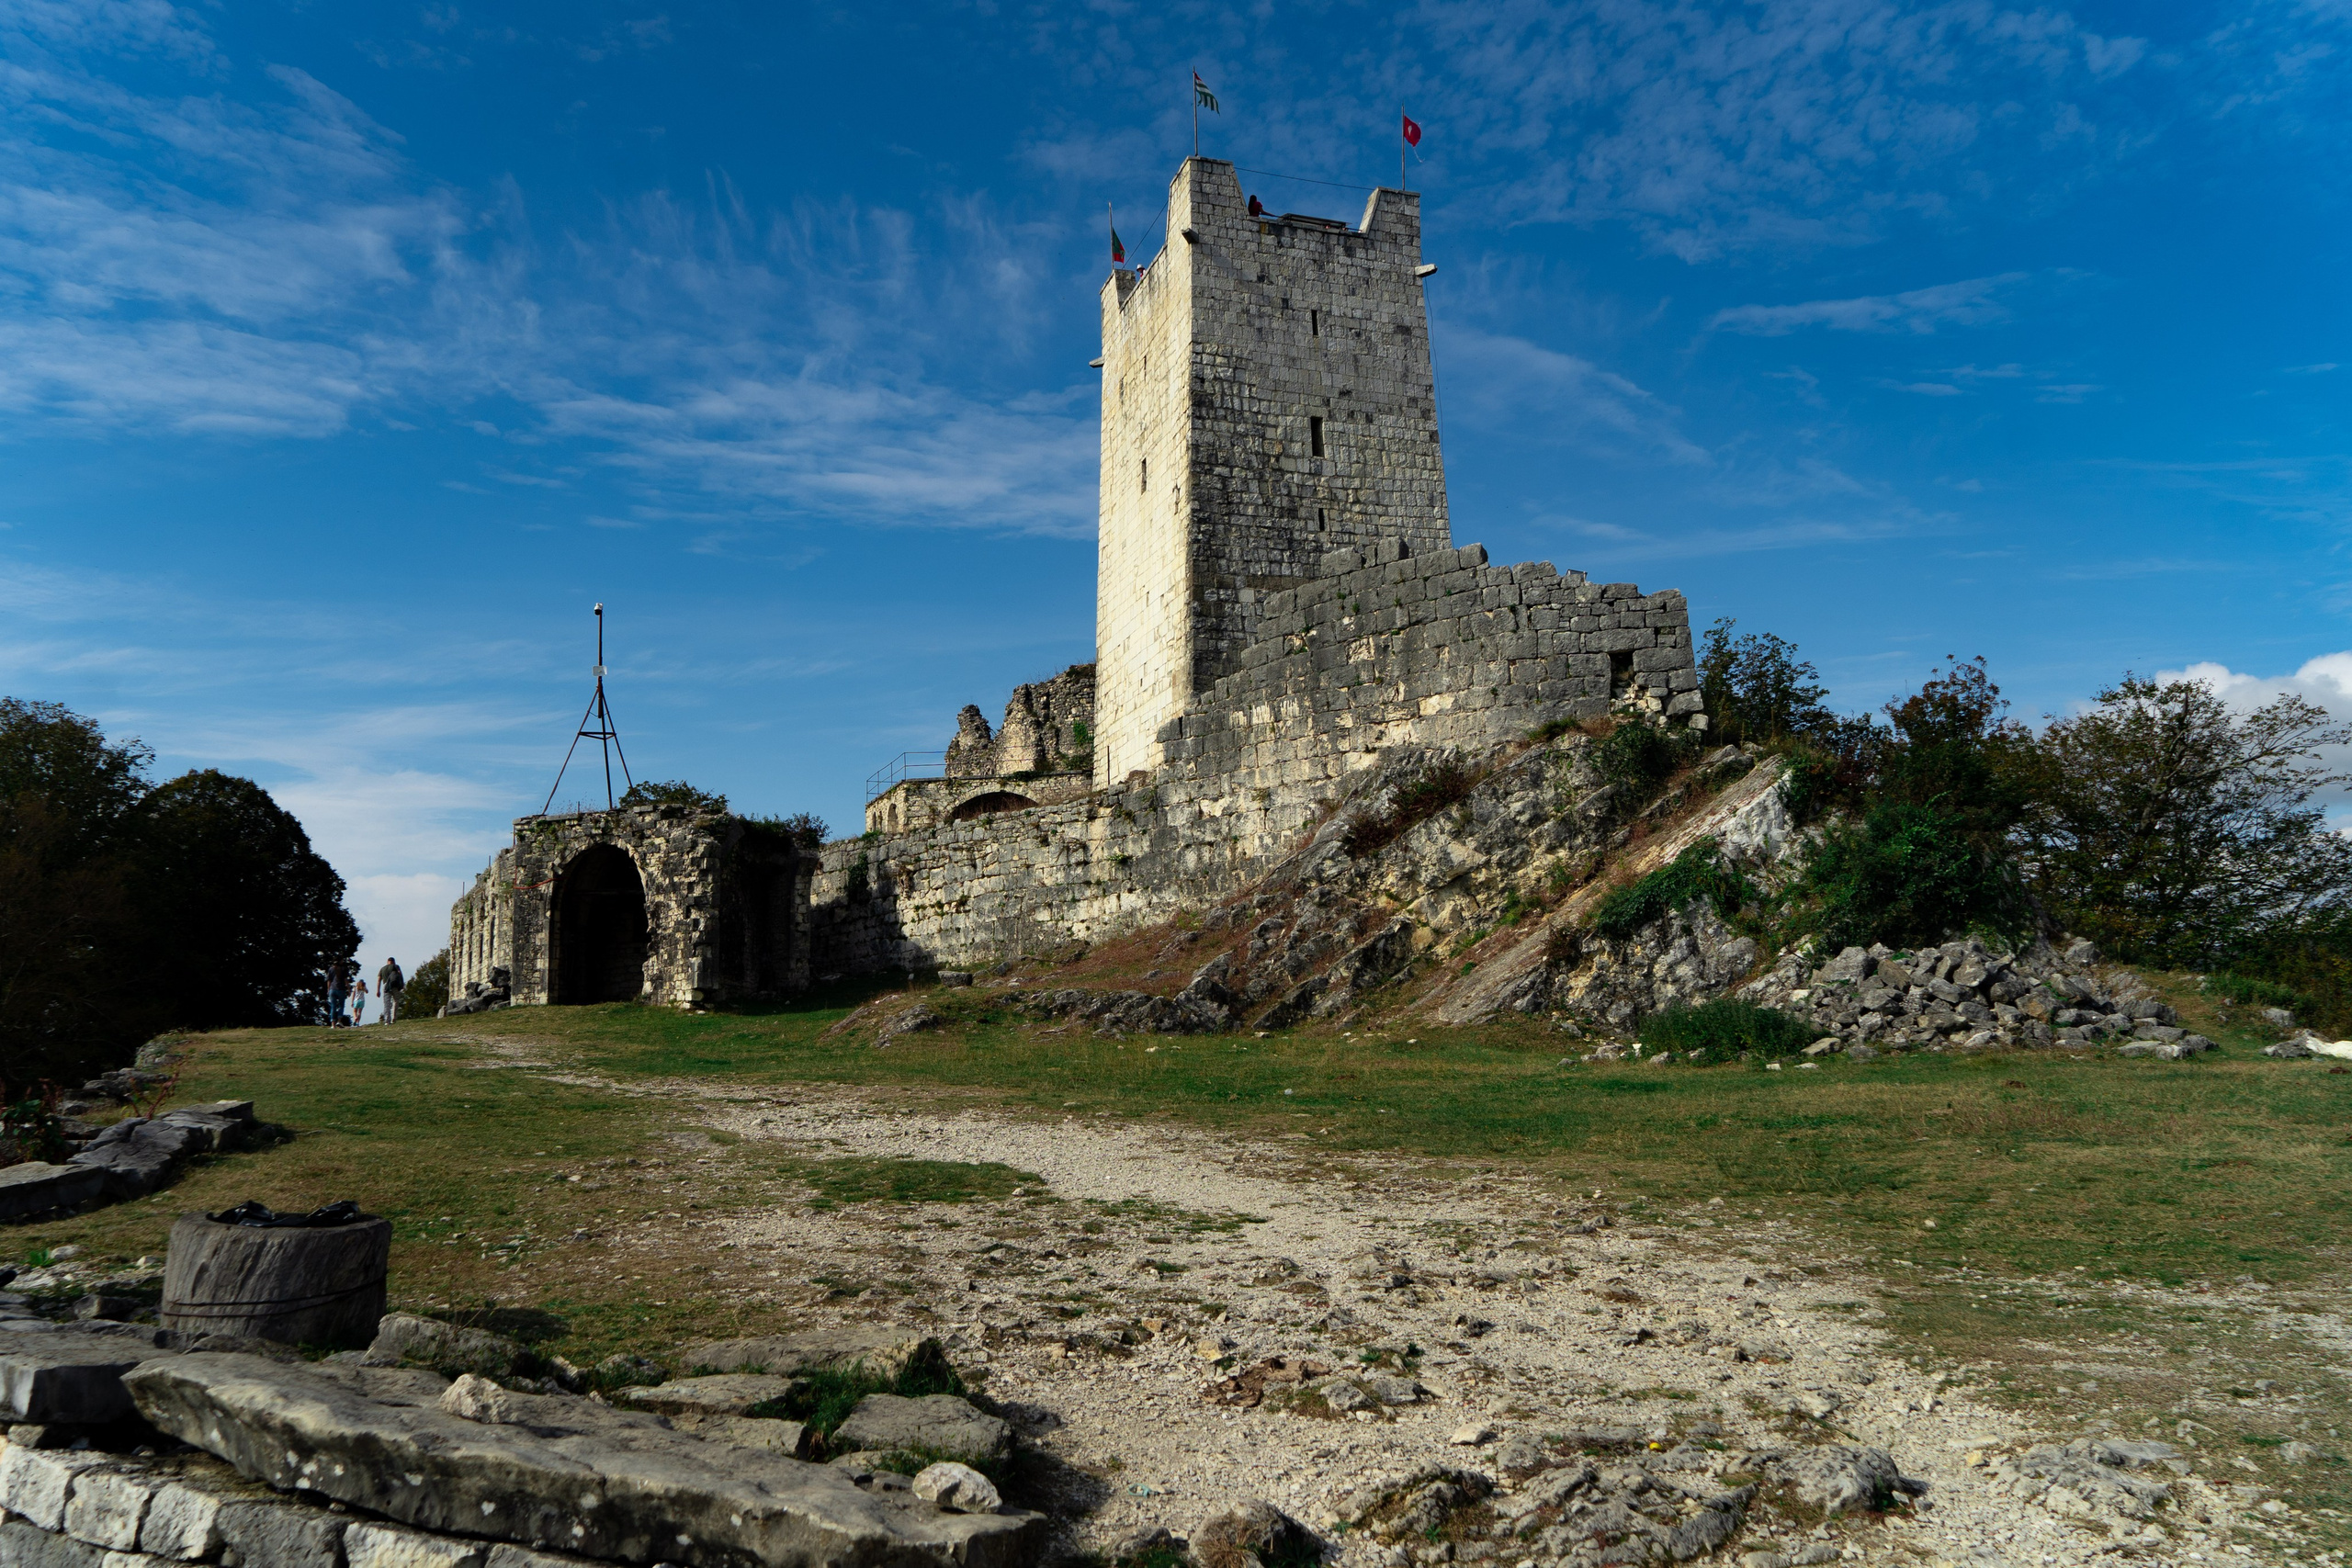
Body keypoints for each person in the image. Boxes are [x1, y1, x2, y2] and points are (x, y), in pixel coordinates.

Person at [378, 956, 405, 1024]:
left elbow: (379, 980)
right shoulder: (396, 966)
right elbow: (400, 974)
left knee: (387, 1003)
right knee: (396, 1001)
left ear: (387, 962)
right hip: (395, 986)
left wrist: (378, 990)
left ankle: (387, 1021)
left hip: (386, 986)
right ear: (394, 961)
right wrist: (402, 984)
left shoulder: (382, 969)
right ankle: (393, 1018)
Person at [328, 961, 350, 1027]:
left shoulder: (331, 969)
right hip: (341, 989)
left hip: (332, 989)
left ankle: (332, 1024)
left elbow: (329, 980)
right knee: (341, 1006)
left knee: (333, 1006)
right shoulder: (343, 969)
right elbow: (346, 980)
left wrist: (328, 989)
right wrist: (349, 989)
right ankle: (339, 1021)